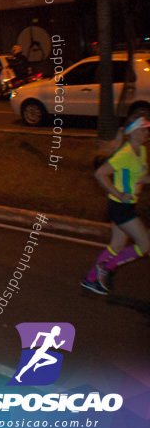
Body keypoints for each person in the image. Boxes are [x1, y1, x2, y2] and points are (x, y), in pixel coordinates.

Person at [81, 117, 150, 295]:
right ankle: (108, 268)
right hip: (120, 207)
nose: (146, 133)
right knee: (144, 244)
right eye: (143, 130)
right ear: (133, 132)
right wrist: (119, 194)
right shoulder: (125, 154)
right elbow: (100, 174)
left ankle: (90, 280)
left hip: (127, 206)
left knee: (117, 245)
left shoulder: (141, 151)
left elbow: (140, 177)